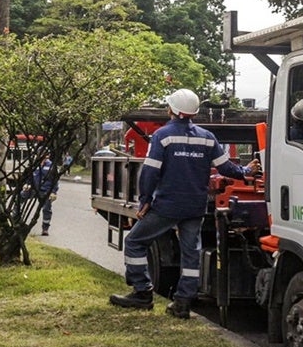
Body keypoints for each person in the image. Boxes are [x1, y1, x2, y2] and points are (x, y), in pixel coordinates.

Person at [109, 88, 259, 319]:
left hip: (167, 205)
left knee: (134, 242)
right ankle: (182, 303)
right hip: (195, 207)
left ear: (171, 110)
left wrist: (145, 200)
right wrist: (246, 171)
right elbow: (227, 169)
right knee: (191, 254)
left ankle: (142, 293)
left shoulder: (162, 136)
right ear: (194, 113)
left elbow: (149, 172)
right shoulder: (207, 138)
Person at [27, 158, 59, 236]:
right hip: (34, 188)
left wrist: (53, 192)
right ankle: (15, 219)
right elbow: (29, 175)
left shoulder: (51, 166)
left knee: (46, 208)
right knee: (21, 196)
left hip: (46, 190)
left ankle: (45, 229)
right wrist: (27, 184)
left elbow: (55, 180)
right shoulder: (34, 164)